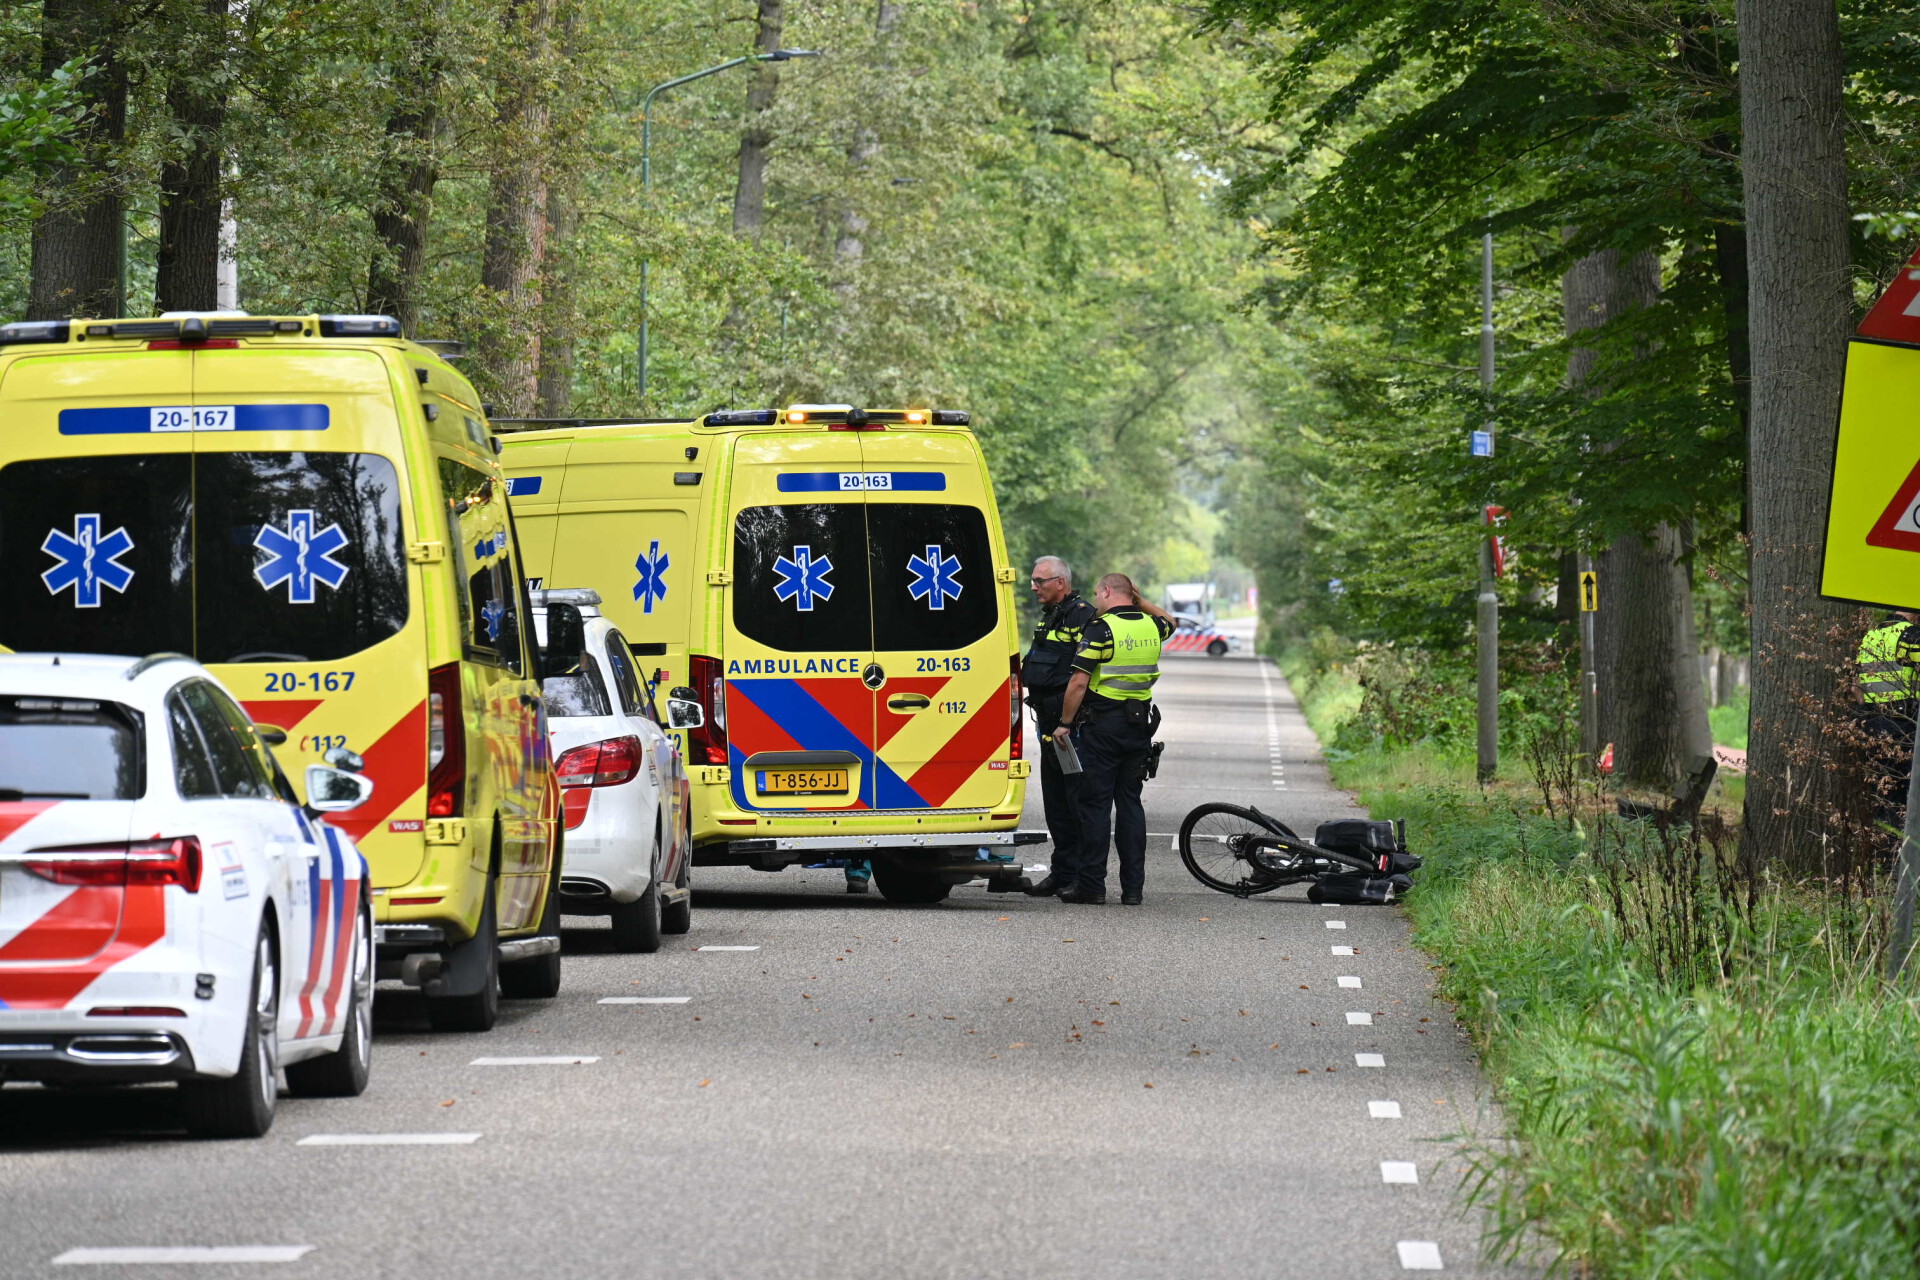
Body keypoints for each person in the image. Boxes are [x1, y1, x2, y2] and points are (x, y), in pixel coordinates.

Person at [1051, 573, 1173, 905]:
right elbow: (1169, 620)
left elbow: (1079, 682)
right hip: (1138, 728)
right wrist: (1139, 597)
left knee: (1095, 807)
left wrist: (1064, 723)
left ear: (1107, 592)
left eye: (1097, 594)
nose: (1096, 600)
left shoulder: (1101, 629)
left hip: (1102, 729)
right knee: (1131, 805)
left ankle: (1091, 886)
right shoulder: (1152, 627)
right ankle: (1133, 890)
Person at [1019, 556, 1100, 897]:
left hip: (1072, 728)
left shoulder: (1082, 615)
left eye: (1040, 581)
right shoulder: (1051, 616)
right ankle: (1062, 872)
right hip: (1049, 724)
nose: (1034, 586)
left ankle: (1082, 876)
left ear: (1061, 583)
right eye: (1034, 581)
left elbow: (1082, 674)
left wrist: (1068, 720)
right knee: (1055, 802)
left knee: (1076, 802)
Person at [1858, 611, 1920, 825]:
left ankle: (1883, 852)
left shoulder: (1870, 637)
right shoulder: (1911, 636)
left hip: (1872, 726)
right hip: (1904, 727)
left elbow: (1857, 687)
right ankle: (1903, 855)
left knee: (1884, 798)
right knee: (1907, 799)